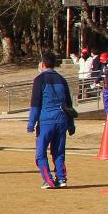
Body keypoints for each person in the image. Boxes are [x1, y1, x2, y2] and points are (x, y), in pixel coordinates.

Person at [25, 51, 78, 189]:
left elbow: (35, 104)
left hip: (46, 120)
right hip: (61, 119)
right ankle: (61, 178)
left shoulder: (39, 80)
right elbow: (68, 104)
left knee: (40, 153)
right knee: (59, 152)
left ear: (42, 64)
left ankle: (48, 180)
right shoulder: (62, 79)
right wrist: (71, 124)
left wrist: (31, 123)